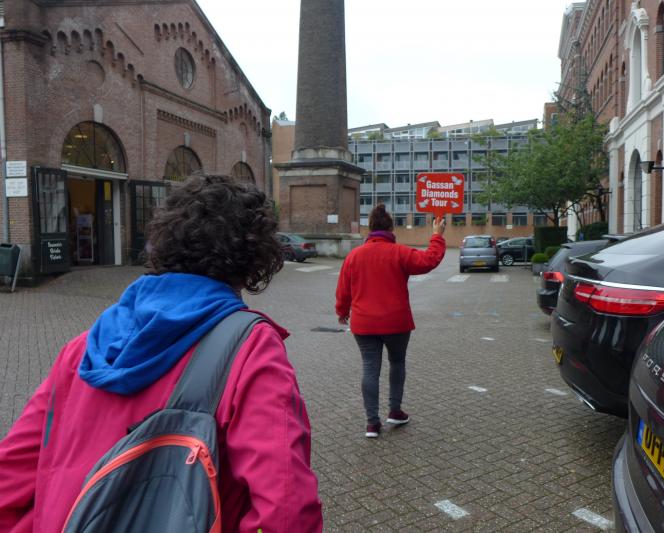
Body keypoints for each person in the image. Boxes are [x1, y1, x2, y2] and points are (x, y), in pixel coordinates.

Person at [0, 175, 323, 532]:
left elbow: (11, 478)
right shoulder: (250, 348)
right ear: (254, 260)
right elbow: (286, 510)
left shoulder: (82, 350)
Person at [335, 205, 446, 438]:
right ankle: (395, 411)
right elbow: (429, 260)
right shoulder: (399, 252)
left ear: (370, 228)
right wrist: (437, 235)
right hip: (396, 323)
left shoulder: (354, 256)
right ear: (390, 228)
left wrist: (342, 311)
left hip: (364, 324)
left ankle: (372, 424)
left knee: (370, 369)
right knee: (397, 363)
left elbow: (344, 289)